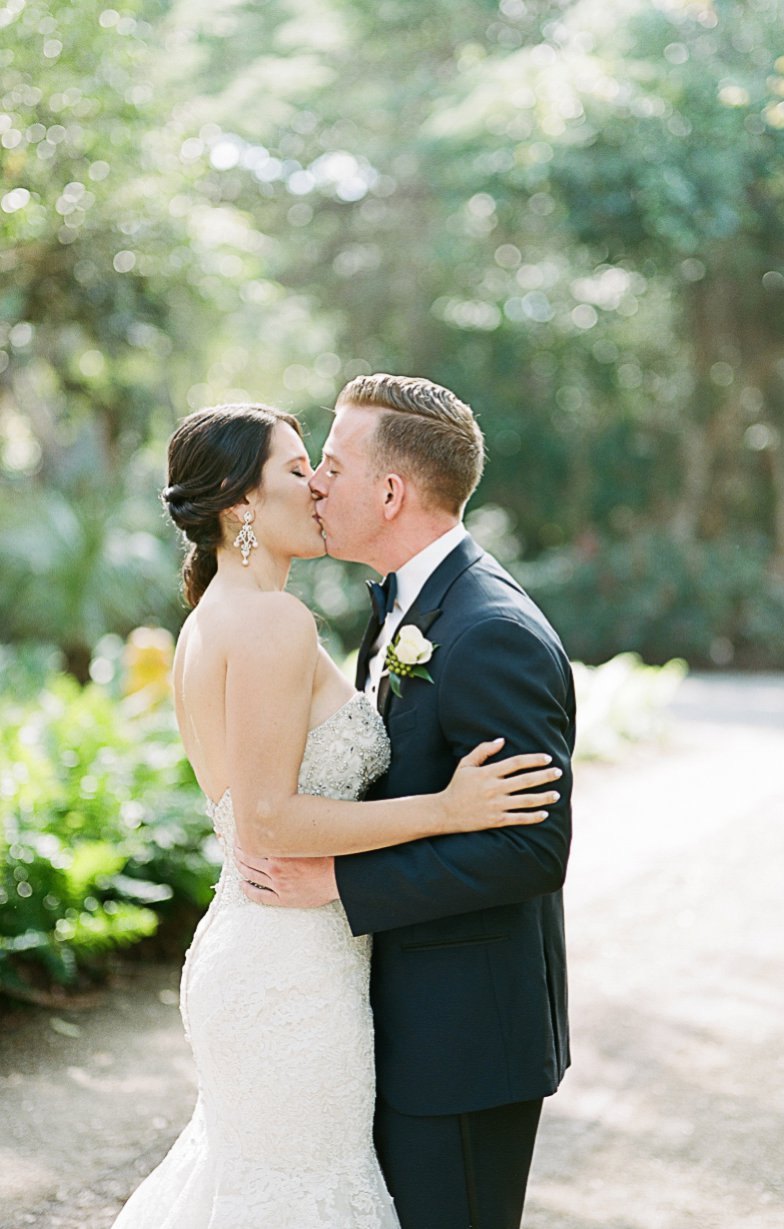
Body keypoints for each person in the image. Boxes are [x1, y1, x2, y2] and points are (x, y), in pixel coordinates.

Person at [110, 402, 561, 1229]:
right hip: (290, 960)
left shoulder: (209, 621)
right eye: (296, 468)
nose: (315, 483)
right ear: (242, 504)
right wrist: (448, 806)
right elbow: (269, 822)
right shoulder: (276, 621)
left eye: (324, 464)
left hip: (260, 942)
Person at [237, 374, 576, 1229]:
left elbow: (532, 848)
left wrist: (342, 886)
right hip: (396, 1016)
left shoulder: (490, 628)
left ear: (390, 492)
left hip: (463, 1036)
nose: (317, 482)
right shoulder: (400, 606)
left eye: (335, 466)